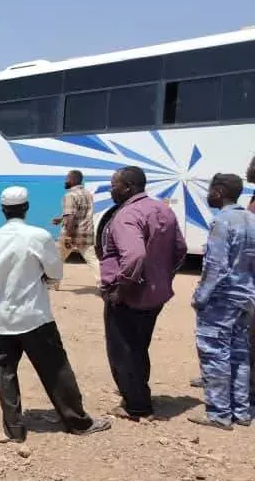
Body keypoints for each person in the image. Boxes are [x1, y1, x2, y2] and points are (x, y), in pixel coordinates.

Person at [0, 187, 111, 442]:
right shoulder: (38, 236)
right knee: (56, 369)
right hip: (34, 316)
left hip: (1, 318)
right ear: (26, 208)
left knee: (4, 372)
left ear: (3, 210)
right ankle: (78, 422)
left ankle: (14, 428)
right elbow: (56, 272)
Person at [99, 166, 187, 421]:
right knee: (139, 346)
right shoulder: (163, 209)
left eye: (114, 185)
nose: (111, 189)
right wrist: (163, 276)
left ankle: (136, 406)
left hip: (129, 297)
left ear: (128, 187)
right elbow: (179, 250)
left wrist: (121, 288)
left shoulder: (127, 215)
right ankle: (138, 391)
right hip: (155, 295)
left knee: (123, 349)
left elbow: (134, 255)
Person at [189, 174, 255, 430]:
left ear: (219, 191)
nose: (208, 195)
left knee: (215, 353)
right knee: (240, 354)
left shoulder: (222, 221)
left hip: (221, 300)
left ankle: (218, 414)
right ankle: (242, 412)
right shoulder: (251, 219)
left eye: (209, 190)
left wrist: (200, 297)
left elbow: (216, 266)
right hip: (246, 299)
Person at [51, 170, 100, 286]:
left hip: (71, 234)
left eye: (67, 178)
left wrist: (68, 235)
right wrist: (61, 219)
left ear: (73, 180)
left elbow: (71, 217)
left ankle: (54, 282)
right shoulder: (88, 194)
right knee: (92, 260)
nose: (65, 181)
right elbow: (79, 213)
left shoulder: (70, 195)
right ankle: (104, 284)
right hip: (86, 233)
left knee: (58, 258)